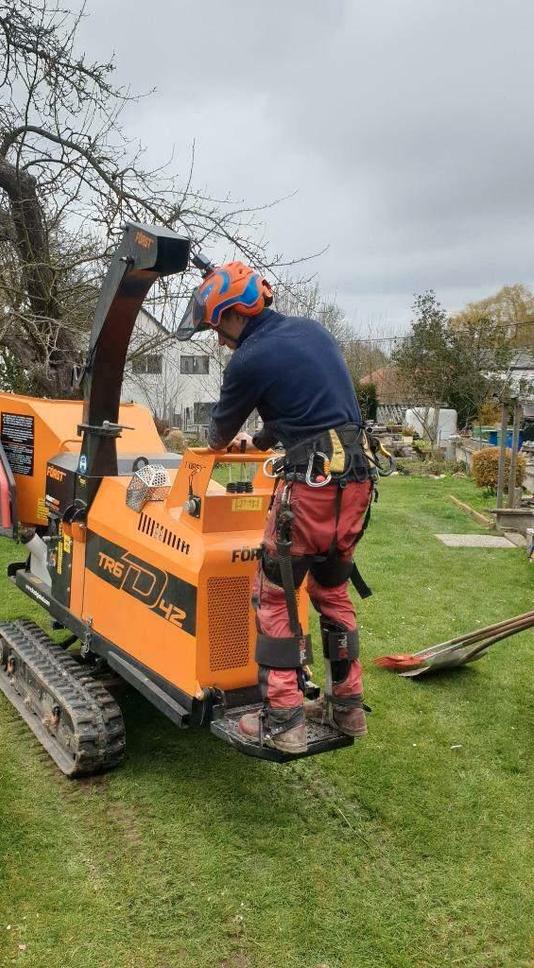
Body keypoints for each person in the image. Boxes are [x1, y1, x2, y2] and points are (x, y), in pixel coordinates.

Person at [177, 262, 385, 755]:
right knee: (332, 592)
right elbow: (306, 405)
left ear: (230, 315)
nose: (219, 340)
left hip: (310, 488)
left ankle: (284, 717)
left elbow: (217, 435)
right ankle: (347, 708)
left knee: (274, 595)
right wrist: (266, 437)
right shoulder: (312, 332)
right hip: (356, 482)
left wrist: (231, 438)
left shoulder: (247, 359)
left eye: (215, 328)